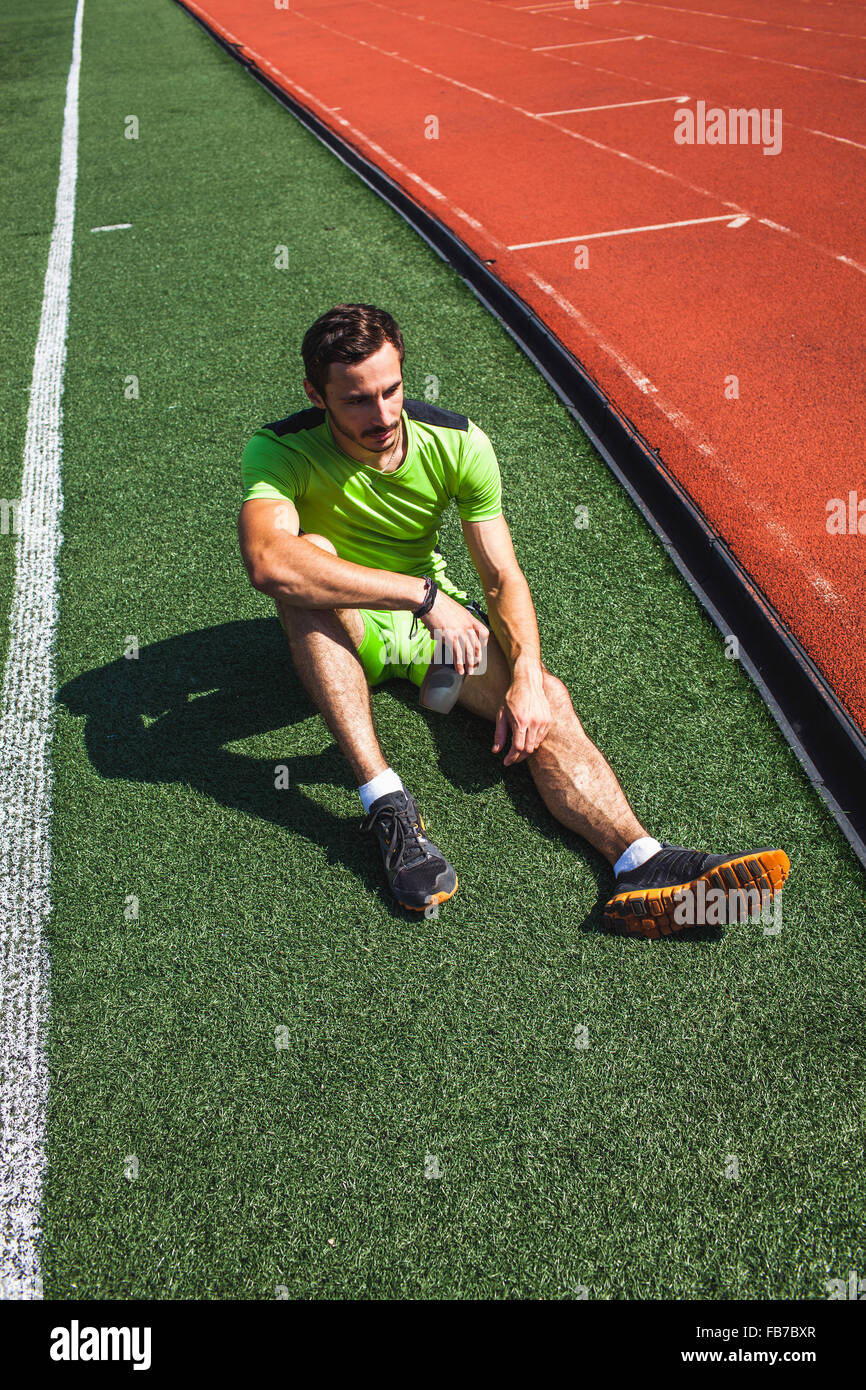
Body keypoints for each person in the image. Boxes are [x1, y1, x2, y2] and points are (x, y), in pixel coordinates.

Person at [238, 304, 789, 936]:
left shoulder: (456, 442)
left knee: (548, 697)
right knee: (306, 564)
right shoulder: (280, 449)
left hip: (425, 633)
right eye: (357, 401)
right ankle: (384, 801)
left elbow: (502, 576)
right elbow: (268, 560)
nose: (383, 416)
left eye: (391, 391)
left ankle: (640, 861)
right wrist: (424, 597)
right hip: (351, 622)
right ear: (317, 396)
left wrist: (526, 678)